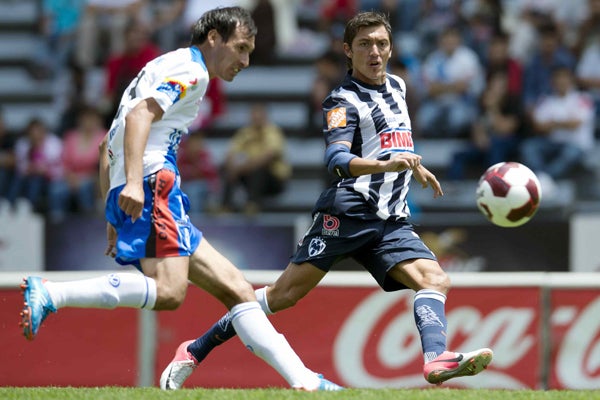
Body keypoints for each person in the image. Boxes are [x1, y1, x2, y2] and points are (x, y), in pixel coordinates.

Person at [159, 11, 493, 391]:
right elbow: (337, 160)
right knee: (283, 296)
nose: (374, 52)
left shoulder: (399, 87)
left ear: (391, 48)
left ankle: (435, 358)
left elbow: (391, 143)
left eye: (381, 43)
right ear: (348, 50)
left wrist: (412, 166)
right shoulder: (341, 101)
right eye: (364, 44)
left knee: (434, 279)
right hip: (348, 212)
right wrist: (385, 164)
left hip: (390, 219)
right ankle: (195, 348)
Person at [19, 7, 342, 392]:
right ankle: (53, 293)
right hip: (153, 183)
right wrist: (135, 184)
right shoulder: (193, 71)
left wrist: (113, 207)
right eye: (240, 48)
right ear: (214, 38)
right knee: (170, 292)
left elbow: (108, 143)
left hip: (141, 185)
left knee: (237, 289)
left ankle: (305, 382)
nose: (245, 61)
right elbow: (138, 118)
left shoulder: (162, 65)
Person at [520, 66, 596, 196]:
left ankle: (545, 178)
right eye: (558, 78)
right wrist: (563, 123)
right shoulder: (546, 100)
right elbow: (538, 126)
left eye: (564, 77)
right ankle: (543, 178)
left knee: (570, 153)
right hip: (552, 143)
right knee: (528, 147)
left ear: (571, 80)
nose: (561, 81)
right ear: (552, 81)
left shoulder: (583, 98)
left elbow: (575, 124)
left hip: (577, 144)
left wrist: (553, 123)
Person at [220, 103, 291, 214]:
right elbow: (230, 152)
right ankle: (225, 206)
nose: (256, 117)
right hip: (248, 175)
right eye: (254, 114)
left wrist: (243, 167)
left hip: (273, 180)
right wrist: (232, 165)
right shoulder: (245, 132)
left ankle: (253, 204)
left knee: (259, 169)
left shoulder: (273, 132)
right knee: (227, 168)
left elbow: (268, 157)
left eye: (259, 114)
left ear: (265, 116)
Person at [416, 26, 485, 138]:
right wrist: (454, 86)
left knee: (457, 119)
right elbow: (430, 89)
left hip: (462, 102)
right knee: (423, 119)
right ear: (441, 41)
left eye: (452, 39)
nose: (449, 43)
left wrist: (441, 87)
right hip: (437, 103)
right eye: (446, 39)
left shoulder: (468, 58)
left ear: (459, 40)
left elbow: (466, 87)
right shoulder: (434, 59)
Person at [47, 105, 107, 221]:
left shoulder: (104, 136)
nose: (88, 122)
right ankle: (57, 223)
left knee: (85, 188)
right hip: (71, 178)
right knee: (55, 190)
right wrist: (71, 177)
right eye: (85, 119)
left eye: (91, 119)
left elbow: (103, 163)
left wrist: (88, 177)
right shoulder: (71, 137)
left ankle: (89, 221)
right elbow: (64, 161)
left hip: (94, 178)